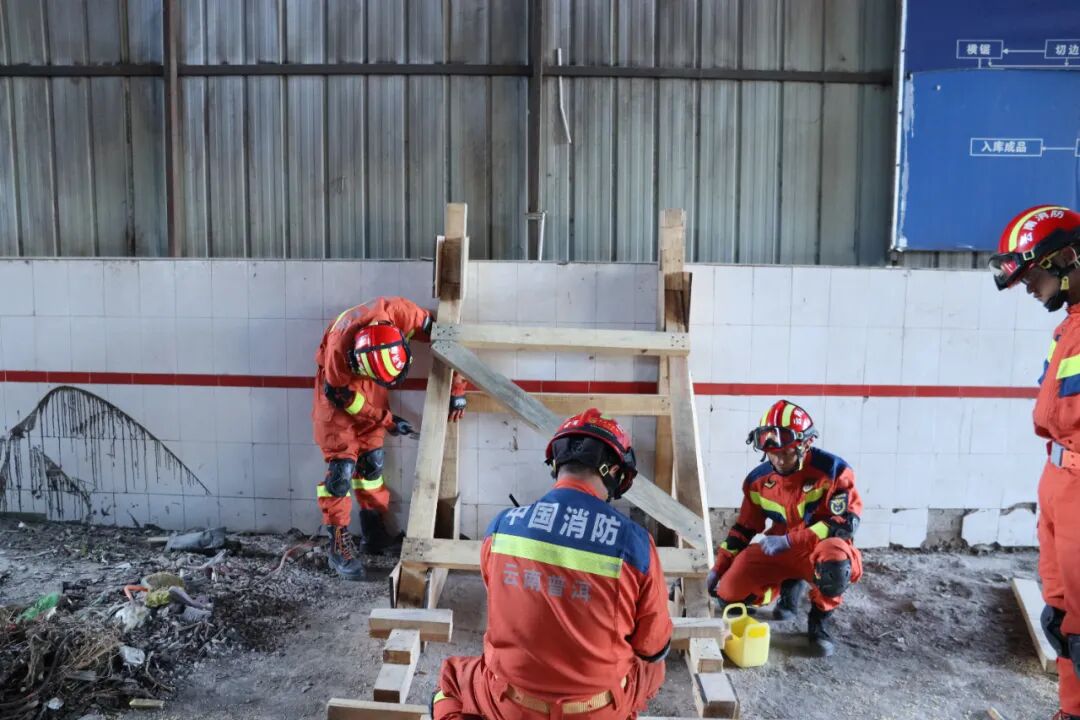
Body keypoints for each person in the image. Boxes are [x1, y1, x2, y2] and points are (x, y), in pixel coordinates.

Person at [432, 409, 672, 720]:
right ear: (614, 471)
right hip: (595, 710)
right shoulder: (635, 542)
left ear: (557, 464)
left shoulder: (501, 527)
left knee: (452, 678)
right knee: (652, 667)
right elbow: (652, 646)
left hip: (510, 704)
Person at [989, 205, 1080, 720]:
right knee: (1062, 618)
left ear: (1067, 258)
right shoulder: (1070, 327)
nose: (1027, 286)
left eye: (1032, 274)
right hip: (1059, 480)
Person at [313, 296, 467, 581]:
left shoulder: (402, 313)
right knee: (341, 471)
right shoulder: (339, 351)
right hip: (337, 403)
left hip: (371, 391)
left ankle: (374, 534)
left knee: (371, 466)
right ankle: (337, 546)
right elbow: (341, 396)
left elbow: (448, 340)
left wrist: (458, 389)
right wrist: (387, 420)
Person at [706, 400, 863, 657]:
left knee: (835, 560)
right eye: (772, 453)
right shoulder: (758, 481)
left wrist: (791, 541)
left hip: (819, 550)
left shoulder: (834, 472)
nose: (778, 460)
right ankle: (788, 585)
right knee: (727, 594)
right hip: (779, 549)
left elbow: (844, 525)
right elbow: (743, 528)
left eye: (786, 452)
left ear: (805, 444)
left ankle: (819, 624)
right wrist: (719, 567)